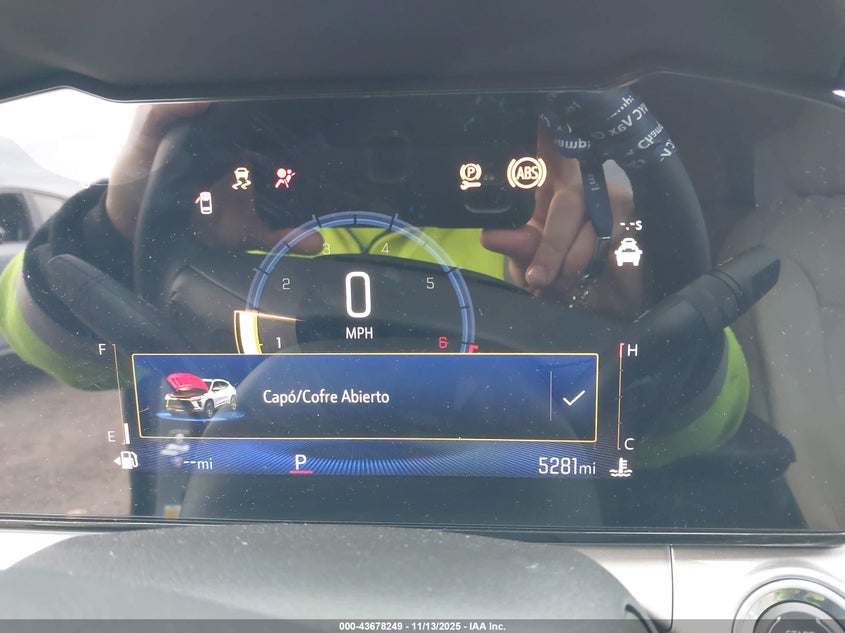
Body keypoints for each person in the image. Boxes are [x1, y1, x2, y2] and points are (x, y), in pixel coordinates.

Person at [0, 99, 749, 467]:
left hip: (521, 528)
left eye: (446, 123)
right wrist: (120, 226)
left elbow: (702, 426)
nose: (384, 157)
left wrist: (632, 300)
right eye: (328, 125)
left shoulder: (563, 237)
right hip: (238, 534)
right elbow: (55, 349)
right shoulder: (217, 220)